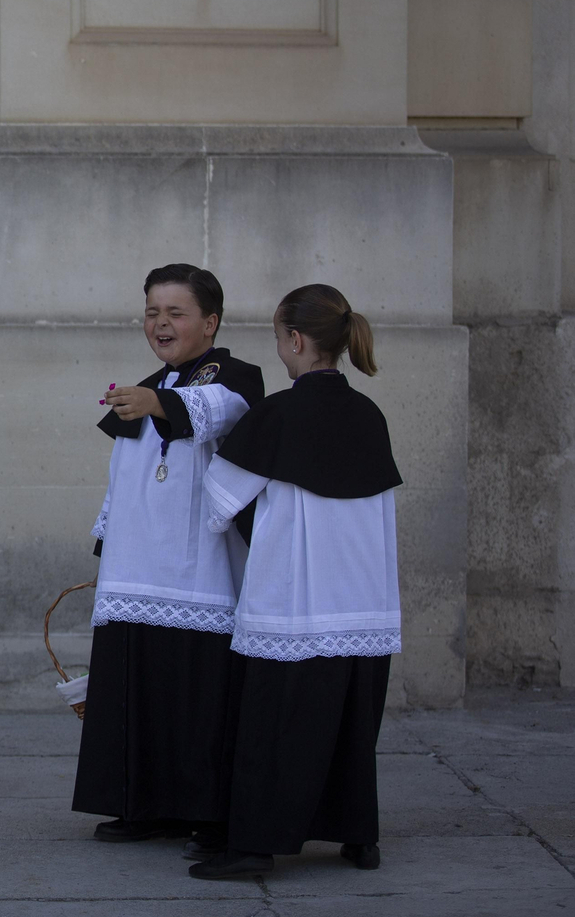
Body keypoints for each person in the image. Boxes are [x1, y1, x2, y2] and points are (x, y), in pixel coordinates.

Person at [191, 284, 402, 879]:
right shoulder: (369, 414)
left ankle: (253, 848)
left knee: (271, 726)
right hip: (364, 601)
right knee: (351, 727)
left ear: (295, 340)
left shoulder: (278, 413)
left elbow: (219, 501)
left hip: (293, 599)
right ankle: (359, 838)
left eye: (279, 338)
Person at [72, 264, 266, 861]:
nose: (160, 323)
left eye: (175, 312)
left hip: (199, 568)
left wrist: (156, 401)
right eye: (152, 311)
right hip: (137, 567)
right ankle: (144, 805)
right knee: (138, 690)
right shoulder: (146, 387)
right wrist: (109, 543)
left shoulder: (234, 376)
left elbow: (218, 411)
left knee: (196, 693)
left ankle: (204, 811)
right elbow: (123, 478)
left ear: (210, 322)